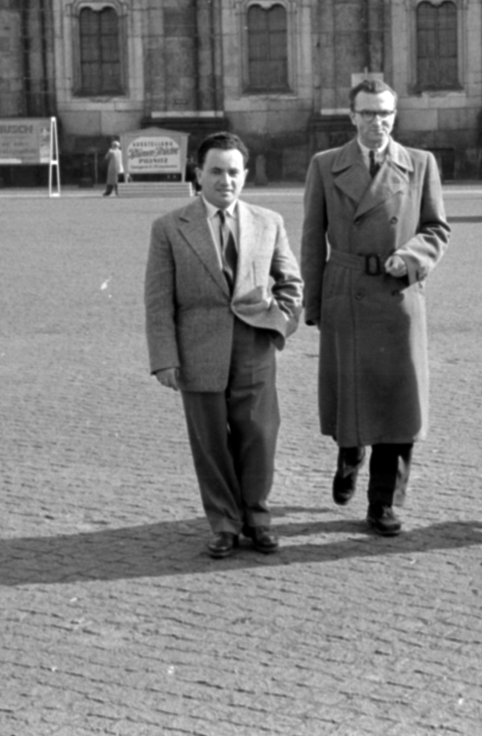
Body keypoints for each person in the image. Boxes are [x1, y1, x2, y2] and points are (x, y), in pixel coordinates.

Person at [300, 79, 450, 537]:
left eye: (385, 113)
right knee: (351, 398)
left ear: (395, 116)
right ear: (352, 116)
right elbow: (311, 238)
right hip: (345, 289)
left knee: (400, 404)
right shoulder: (325, 166)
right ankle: (349, 454)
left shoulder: (421, 164)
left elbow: (436, 229)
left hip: (398, 292)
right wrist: (314, 302)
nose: (377, 122)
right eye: (367, 113)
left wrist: (411, 259)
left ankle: (384, 502)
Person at [144, 132, 303, 559]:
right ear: (198, 174)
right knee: (211, 443)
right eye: (216, 171)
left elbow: (291, 283)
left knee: (259, 435)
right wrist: (164, 358)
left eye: (234, 172)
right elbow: (158, 302)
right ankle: (224, 524)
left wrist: (279, 327)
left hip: (254, 347)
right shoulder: (169, 228)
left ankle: (258, 518)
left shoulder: (269, 222)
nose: (225, 180)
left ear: (245, 175)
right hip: (197, 350)